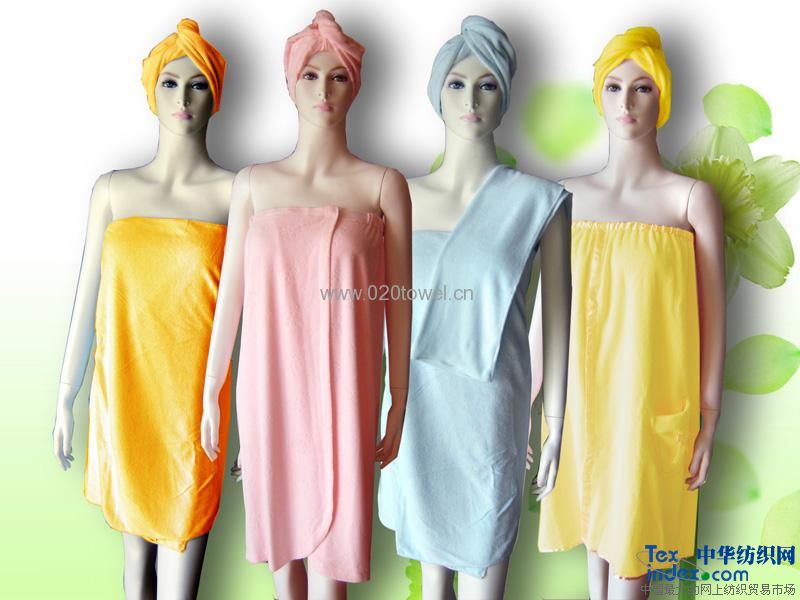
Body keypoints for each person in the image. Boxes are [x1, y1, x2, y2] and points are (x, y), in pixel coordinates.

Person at [199, 10, 412, 600]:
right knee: (282, 566)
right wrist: (213, 388)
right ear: (290, 84)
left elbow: (398, 302)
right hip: (270, 389)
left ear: (356, 86)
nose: (324, 90)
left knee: (330, 566)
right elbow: (231, 296)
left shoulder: (382, 185)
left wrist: (399, 400)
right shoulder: (253, 184)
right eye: (310, 76)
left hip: (347, 391)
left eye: (338, 76)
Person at [377, 15, 571, 600]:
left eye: (487, 85)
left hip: (489, 412)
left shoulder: (539, 201)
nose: (471, 99)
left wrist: (555, 425)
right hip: (414, 407)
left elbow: (558, 327)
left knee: (484, 566)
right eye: (457, 83)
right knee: (429, 578)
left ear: (505, 97)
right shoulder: (395, 196)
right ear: (436, 93)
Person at [537, 26, 726, 600]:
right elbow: (547, 315)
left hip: (651, 406)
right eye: (614, 87)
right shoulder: (563, 198)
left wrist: (710, 416)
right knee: (596, 553)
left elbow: (713, 318)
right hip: (579, 404)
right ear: (599, 96)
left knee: (631, 563)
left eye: (643, 87)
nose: (627, 102)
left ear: (662, 97)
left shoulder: (688, 199)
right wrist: (528, 403)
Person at [53, 18, 233, 599]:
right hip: (125, 395)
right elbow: (86, 298)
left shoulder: (236, 195)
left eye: (198, 84)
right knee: (135, 575)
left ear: (216, 96)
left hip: (193, 408)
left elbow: (249, 317)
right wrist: (65, 394)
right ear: (151, 91)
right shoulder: (113, 191)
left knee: (180, 564)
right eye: (170, 83)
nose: (183, 98)